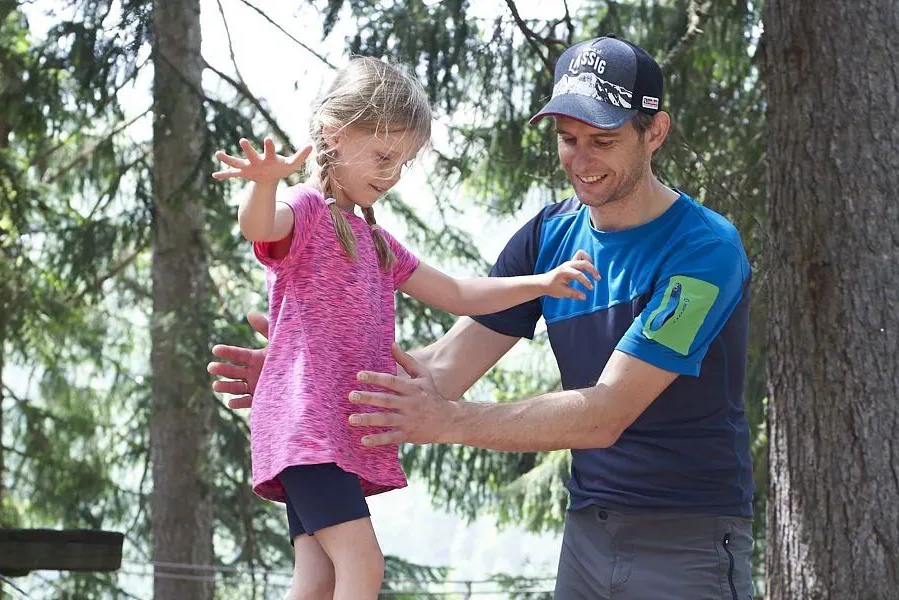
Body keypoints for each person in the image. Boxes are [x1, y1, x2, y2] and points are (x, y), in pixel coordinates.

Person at [211, 38, 755, 599]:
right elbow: (443, 366)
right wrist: (305, 376)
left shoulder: (704, 251)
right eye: (569, 140)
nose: (583, 160)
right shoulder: (550, 237)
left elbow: (606, 414)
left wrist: (449, 421)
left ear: (655, 132)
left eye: (604, 140)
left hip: (689, 539)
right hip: (588, 535)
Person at [209, 55, 599, 600]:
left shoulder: (375, 243)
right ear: (334, 136)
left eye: (403, 163)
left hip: (325, 429)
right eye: (383, 155)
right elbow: (260, 228)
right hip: (306, 425)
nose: (391, 175)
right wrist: (266, 186)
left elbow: (460, 294)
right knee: (362, 566)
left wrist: (541, 283)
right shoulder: (304, 212)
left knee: (318, 577)